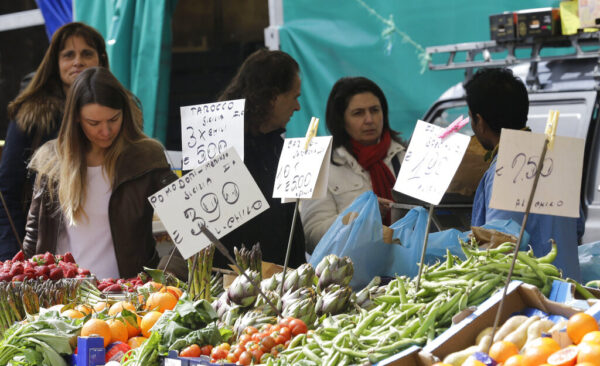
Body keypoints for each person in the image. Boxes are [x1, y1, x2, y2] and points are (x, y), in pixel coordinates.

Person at [23, 67, 178, 279]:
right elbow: (33, 241)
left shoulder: (146, 157)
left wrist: (165, 278)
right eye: (94, 123)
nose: (105, 131)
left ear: (125, 111)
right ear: (76, 118)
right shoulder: (51, 160)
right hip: (62, 300)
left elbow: (191, 228)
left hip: (128, 299)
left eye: (114, 119)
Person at [0, 22, 108, 260]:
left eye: (86, 53)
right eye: (69, 55)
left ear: (101, 59)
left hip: (109, 252)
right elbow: (6, 192)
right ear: (55, 63)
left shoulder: (118, 111)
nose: (77, 61)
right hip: (44, 253)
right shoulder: (30, 115)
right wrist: (12, 259)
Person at [467, 67, 582, 281]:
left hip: (527, 298)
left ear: (480, 121)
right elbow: (577, 229)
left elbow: (496, 246)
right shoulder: (559, 159)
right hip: (570, 292)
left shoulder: (504, 167)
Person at [215, 49, 306, 268]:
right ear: (273, 97)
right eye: (294, 97)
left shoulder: (278, 146)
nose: (297, 107)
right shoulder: (222, 148)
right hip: (230, 284)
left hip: (282, 282)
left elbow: (288, 222)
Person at [300, 77, 406, 253]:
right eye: (358, 113)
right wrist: (357, 216)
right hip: (349, 275)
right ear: (341, 120)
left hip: (406, 267)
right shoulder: (322, 167)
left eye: (375, 110)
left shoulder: (405, 158)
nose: (369, 119)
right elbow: (311, 237)